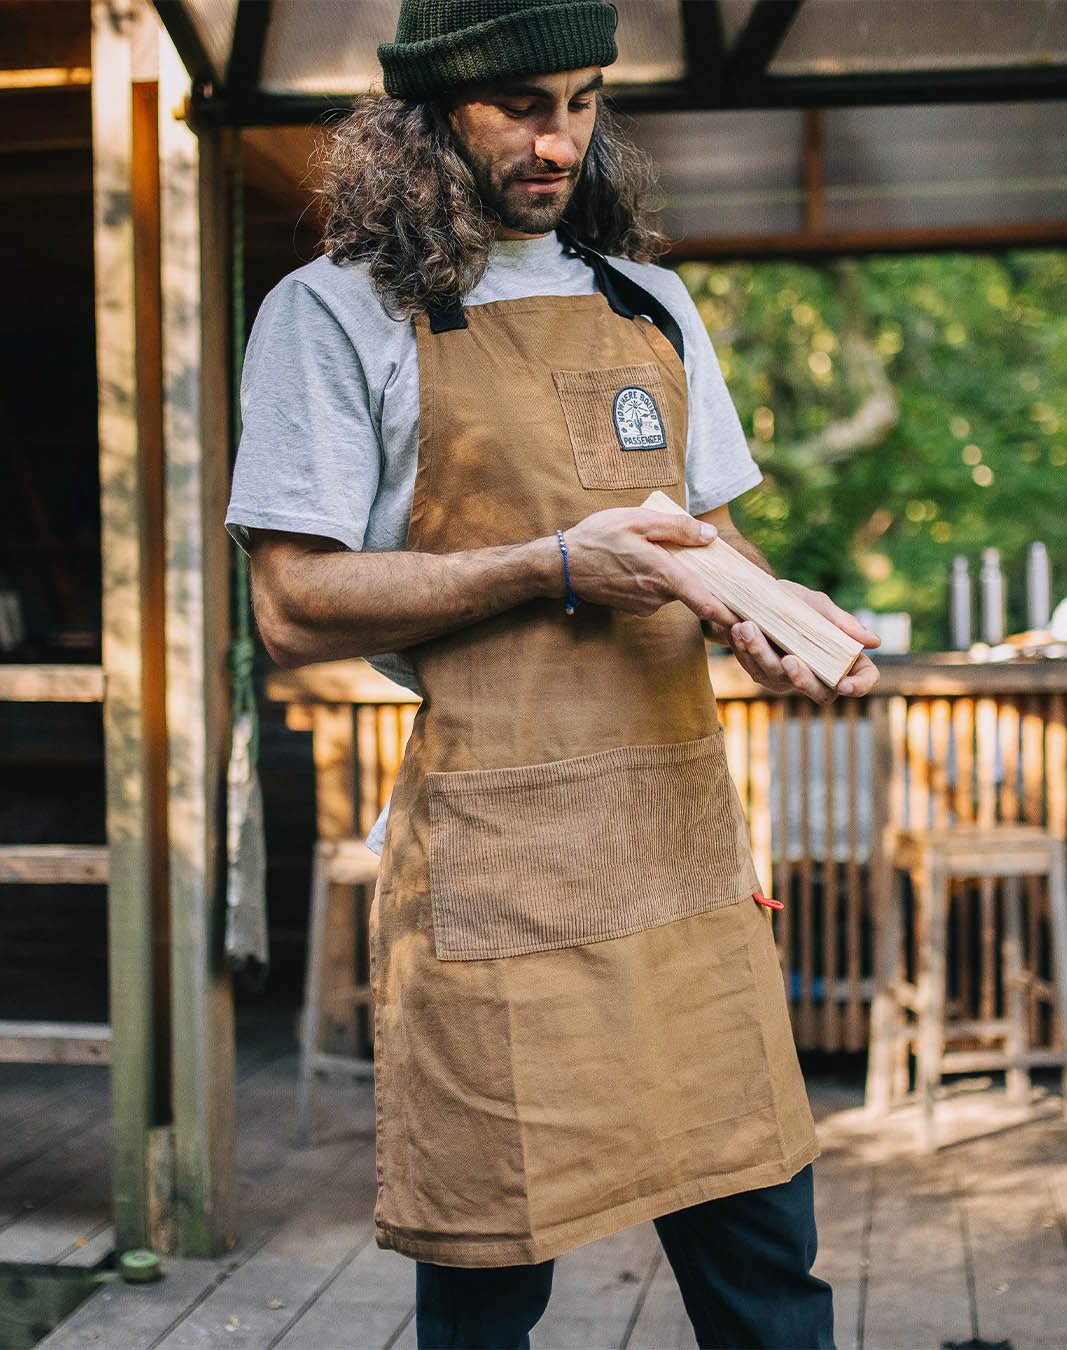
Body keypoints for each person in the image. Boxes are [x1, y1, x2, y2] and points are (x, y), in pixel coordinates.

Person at [227, 3, 880, 1345]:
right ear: (426, 118)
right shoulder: (335, 314)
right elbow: (290, 605)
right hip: (503, 870)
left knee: (769, 1269)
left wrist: (767, 610)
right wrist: (556, 565)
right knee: (488, 1285)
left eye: (582, 102)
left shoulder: (650, 302)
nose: (559, 141)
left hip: (680, 856)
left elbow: (704, 535)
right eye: (522, 106)